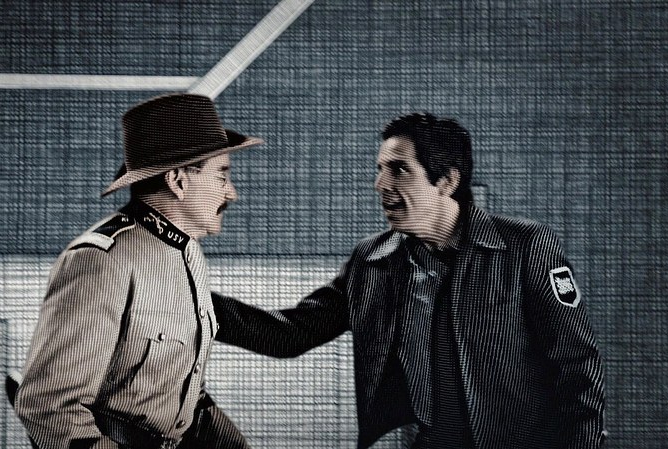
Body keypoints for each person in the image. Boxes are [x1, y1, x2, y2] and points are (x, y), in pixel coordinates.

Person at [212, 112, 606, 448]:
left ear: (446, 181)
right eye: (380, 169)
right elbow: (290, 334)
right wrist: (194, 299)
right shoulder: (371, 262)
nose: (381, 184)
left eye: (399, 170)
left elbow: (578, 368)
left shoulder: (526, 247)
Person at [14, 93, 262, 449]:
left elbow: (182, 390)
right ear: (178, 181)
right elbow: (48, 409)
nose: (231, 193)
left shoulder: (188, 252)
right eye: (222, 176)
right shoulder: (101, 261)